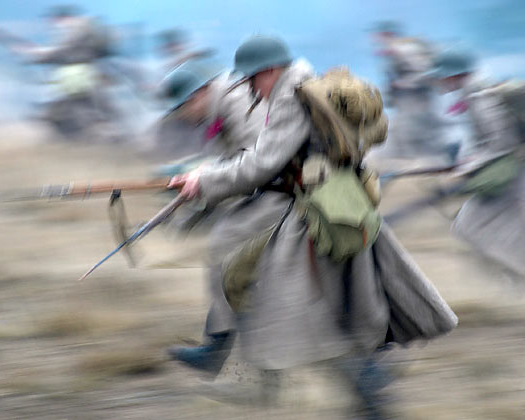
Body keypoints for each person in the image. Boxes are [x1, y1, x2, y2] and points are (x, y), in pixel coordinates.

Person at [170, 35, 457, 418]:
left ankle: (364, 387)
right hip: (328, 207)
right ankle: (360, 387)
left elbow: (261, 164)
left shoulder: (290, 96)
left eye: (253, 78)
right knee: (319, 306)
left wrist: (203, 180)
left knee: (301, 309)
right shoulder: (298, 87)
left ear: (270, 70)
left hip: (313, 215)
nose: (250, 88)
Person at [157, 60, 269, 374]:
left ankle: (216, 351)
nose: (183, 117)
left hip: (288, 192)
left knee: (226, 250)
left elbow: (257, 164)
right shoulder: (224, 107)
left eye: (182, 108)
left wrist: (204, 177)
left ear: (199, 94)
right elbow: (228, 167)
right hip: (274, 191)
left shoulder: (236, 104)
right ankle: (224, 352)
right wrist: (185, 212)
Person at [430, 48, 525, 277]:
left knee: (469, 226)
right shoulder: (474, 94)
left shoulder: (481, 98)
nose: (437, 81)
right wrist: (464, 163)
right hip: (509, 174)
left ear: (454, 75)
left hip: (511, 175)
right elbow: (483, 141)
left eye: (441, 75)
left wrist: (466, 168)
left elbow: (503, 143)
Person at [12, 5, 121, 139]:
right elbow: (63, 51)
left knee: (87, 108)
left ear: (63, 17)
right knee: (94, 107)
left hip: (78, 75)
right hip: (84, 74)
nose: (53, 23)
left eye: (54, 19)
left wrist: (35, 55)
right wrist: (37, 55)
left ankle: (107, 134)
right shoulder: (83, 28)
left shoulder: (76, 30)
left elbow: (62, 51)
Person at [371, 21, 454, 162]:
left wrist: (404, 84)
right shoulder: (392, 53)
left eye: (379, 36)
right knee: (404, 135)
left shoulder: (404, 51)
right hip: (407, 103)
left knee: (422, 134)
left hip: (419, 102)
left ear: (387, 34)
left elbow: (426, 73)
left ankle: (440, 162)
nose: (376, 40)